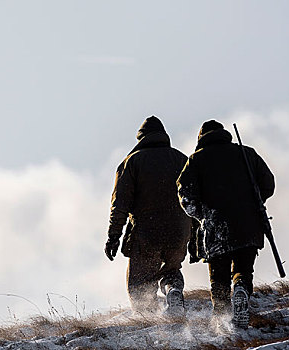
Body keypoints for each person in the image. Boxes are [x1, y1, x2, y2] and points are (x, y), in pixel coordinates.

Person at [176, 120, 275, 329]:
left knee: (218, 277)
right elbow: (268, 184)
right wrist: (254, 203)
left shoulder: (196, 160)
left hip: (215, 227)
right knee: (243, 268)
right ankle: (240, 290)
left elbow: (185, 196)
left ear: (201, 137)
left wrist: (202, 216)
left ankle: (221, 319)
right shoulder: (247, 153)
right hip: (249, 224)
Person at [105, 116, 193, 316]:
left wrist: (113, 237)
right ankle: (173, 291)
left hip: (146, 234)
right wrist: (195, 239)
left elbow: (119, 205)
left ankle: (149, 323)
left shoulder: (131, 162)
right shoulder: (182, 160)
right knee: (171, 271)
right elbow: (194, 202)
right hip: (179, 232)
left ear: (141, 139)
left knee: (139, 285)